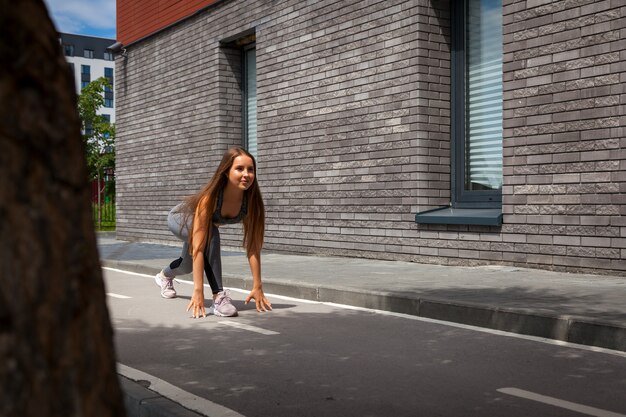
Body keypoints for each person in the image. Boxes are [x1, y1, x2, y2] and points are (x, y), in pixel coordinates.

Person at [155, 147, 272, 318]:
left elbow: (253, 247)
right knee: (211, 235)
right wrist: (198, 290)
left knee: (187, 265)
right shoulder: (210, 199)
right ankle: (218, 299)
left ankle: (164, 276)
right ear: (226, 172)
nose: (246, 174)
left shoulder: (252, 202)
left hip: (203, 226)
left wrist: (257, 285)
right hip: (180, 218)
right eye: (239, 169)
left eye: (251, 169)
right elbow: (200, 249)